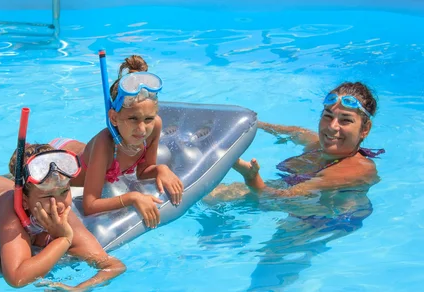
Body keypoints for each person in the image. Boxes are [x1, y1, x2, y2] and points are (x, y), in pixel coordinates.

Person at [0, 144, 126, 292]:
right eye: (48, 196)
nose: (58, 204)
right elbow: (17, 278)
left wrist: (81, 288)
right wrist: (63, 239)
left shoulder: (61, 211)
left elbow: (113, 265)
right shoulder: (11, 215)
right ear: (24, 201)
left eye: (64, 192)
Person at [48, 55, 184, 229]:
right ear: (113, 117)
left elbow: (143, 171)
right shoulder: (105, 144)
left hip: (81, 150)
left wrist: (161, 169)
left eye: (148, 118)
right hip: (56, 158)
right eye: (133, 119)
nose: (142, 129)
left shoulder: (155, 125)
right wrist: (132, 197)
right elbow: (90, 205)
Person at [205, 81, 384, 201]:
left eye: (345, 120)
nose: (332, 127)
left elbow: (278, 199)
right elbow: (296, 132)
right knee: (210, 195)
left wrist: (251, 177)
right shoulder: (320, 145)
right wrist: (248, 125)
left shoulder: (351, 171)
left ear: (365, 129)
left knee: (271, 257)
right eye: (328, 116)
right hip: (293, 194)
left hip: (322, 221)